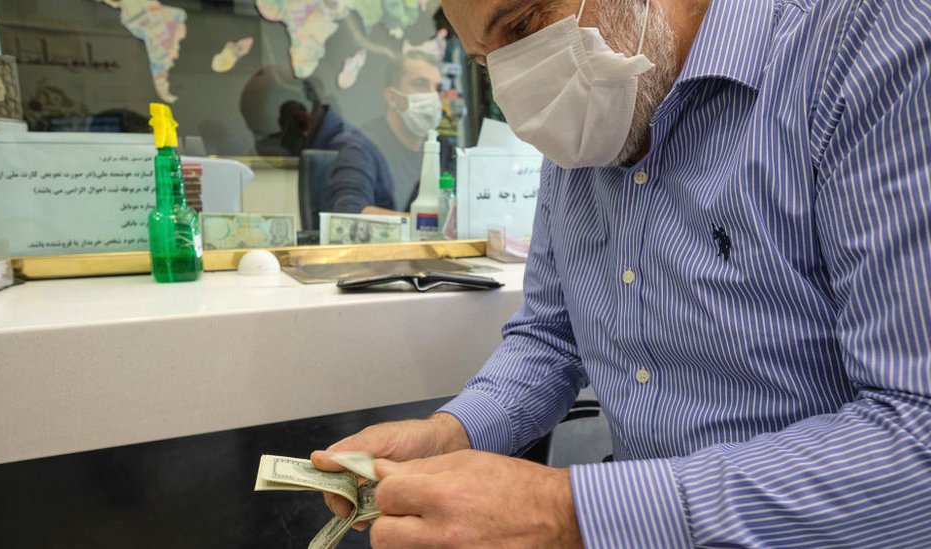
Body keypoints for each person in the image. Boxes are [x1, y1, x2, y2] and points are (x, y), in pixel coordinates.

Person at [310, 0, 931, 547]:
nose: (511, 89)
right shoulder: (589, 108)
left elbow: (916, 435)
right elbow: (551, 338)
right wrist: (453, 432)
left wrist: (570, 514)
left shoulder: (862, 43)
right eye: (482, 60)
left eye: (524, 24)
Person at [325, 51, 444, 215]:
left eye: (438, 88)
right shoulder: (361, 147)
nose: (433, 96)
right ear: (392, 98)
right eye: (421, 84)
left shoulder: (443, 149)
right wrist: (426, 223)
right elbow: (348, 212)